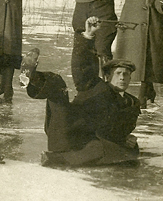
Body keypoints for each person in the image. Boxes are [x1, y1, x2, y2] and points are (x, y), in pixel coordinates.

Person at [22, 17, 141, 167]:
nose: (122, 77)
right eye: (118, 73)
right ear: (108, 76)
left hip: (84, 145)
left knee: (102, 150)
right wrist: (88, 36)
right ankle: (31, 78)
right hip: (64, 132)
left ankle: (57, 159)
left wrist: (128, 139)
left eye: (126, 74)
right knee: (58, 85)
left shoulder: (132, 103)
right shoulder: (94, 85)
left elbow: (121, 132)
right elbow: (82, 65)